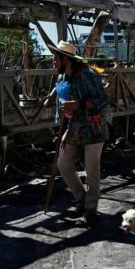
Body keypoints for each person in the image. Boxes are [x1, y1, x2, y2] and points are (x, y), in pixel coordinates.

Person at [49, 40, 110, 227]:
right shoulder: (62, 79)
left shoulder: (87, 74)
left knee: (92, 172)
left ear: (66, 59)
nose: (53, 62)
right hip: (74, 129)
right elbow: (63, 108)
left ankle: (90, 211)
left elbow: (102, 100)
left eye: (56, 59)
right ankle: (82, 199)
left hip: (93, 128)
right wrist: (64, 123)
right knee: (63, 163)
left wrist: (79, 104)